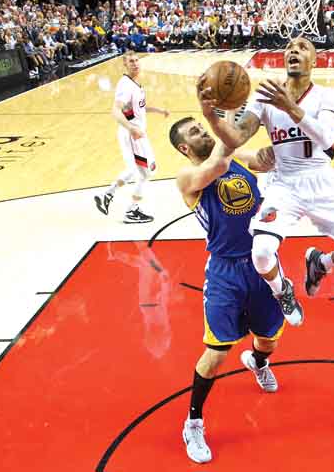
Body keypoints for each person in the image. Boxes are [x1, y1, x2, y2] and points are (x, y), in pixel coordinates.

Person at [199, 36, 334, 325]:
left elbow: (326, 138)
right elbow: (236, 138)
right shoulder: (265, 98)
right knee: (262, 252)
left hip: (322, 181)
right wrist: (211, 116)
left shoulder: (327, 95)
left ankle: (320, 263)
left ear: (314, 61)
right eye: (289, 47)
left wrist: (290, 107)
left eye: (303, 47)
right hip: (284, 183)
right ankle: (283, 291)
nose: (293, 49)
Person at [170, 106, 289, 464]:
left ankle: (257, 361)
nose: (202, 133)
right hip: (225, 272)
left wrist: (274, 149)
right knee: (217, 353)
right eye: (194, 132)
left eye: (201, 127)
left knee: (270, 337)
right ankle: (193, 422)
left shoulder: (232, 153)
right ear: (183, 148)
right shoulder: (189, 176)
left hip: (259, 262)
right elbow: (218, 165)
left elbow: (260, 160)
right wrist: (222, 122)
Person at [94, 52, 169, 223]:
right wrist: (131, 128)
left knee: (140, 171)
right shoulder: (125, 85)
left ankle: (107, 195)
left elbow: (139, 108)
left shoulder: (135, 84)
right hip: (132, 134)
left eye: (136, 60)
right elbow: (115, 110)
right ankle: (129, 209)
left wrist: (159, 110)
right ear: (125, 65)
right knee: (145, 171)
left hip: (135, 133)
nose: (135, 63)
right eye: (131, 62)